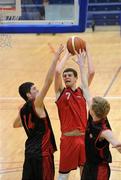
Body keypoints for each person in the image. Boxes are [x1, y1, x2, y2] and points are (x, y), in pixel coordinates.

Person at [13, 44, 64, 180]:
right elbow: (48, 81)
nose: (38, 90)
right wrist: (55, 58)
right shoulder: (37, 104)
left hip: (29, 152)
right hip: (42, 154)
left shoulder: (23, 109)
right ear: (29, 95)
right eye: (34, 89)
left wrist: (22, 114)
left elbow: (16, 125)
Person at [77, 52, 121, 180]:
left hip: (100, 170)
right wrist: (81, 65)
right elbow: (85, 87)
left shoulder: (104, 131)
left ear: (92, 111)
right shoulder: (95, 114)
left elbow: (116, 142)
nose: (88, 104)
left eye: (90, 105)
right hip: (88, 165)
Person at [54, 46, 95, 180]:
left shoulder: (82, 91)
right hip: (67, 140)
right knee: (63, 176)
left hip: (83, 139)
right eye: (65, 76)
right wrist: (67, 54)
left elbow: (92, 72)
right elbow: (57, 71)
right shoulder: (60, 93)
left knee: (85, 174)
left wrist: (87, 53)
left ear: (76, 78)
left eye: (69, 75)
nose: (66, 77)